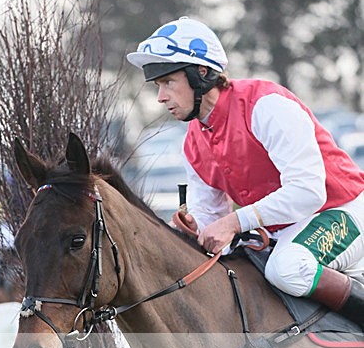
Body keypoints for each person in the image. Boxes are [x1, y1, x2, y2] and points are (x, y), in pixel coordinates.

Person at [127, 17, 364, 327]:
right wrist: (197, 230)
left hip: (341, 210)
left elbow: (309, 192)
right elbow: (213, 225)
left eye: (167, 82)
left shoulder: (266, 105)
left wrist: (236, 221)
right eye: (158, 86)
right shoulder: (192, 143)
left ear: (200, 74)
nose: (160, 97)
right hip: (284, 230)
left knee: (287, 269)